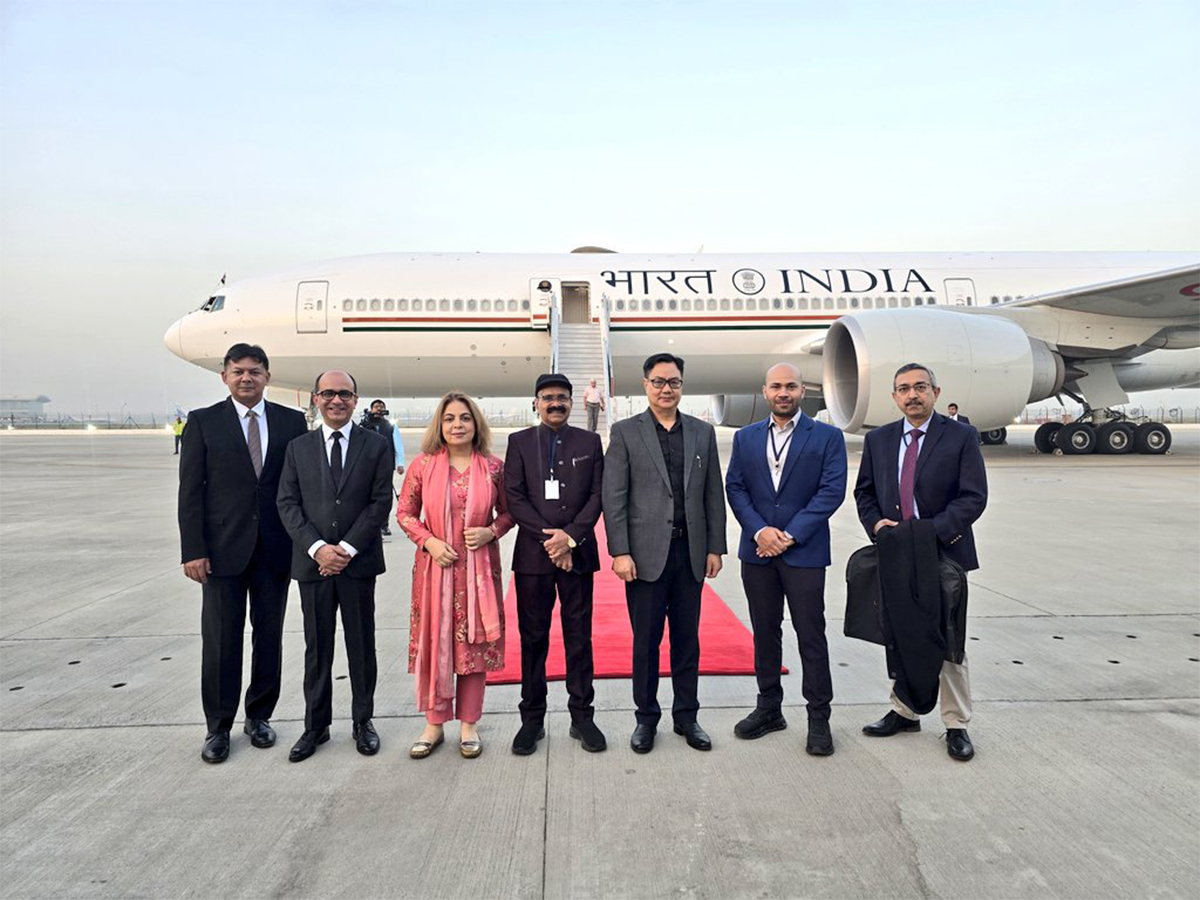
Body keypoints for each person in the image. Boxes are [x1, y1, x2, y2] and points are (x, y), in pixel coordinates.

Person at [177, 343, 308, 764]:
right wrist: (193, 550)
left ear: (268, 376)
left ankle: (259, 716)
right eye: (238, 372)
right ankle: (218, 727)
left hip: (274, 551)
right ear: (225, 377)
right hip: (220, 554)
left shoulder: (291, 423)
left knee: (268, 638)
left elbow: (299, 491)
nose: (246, 378)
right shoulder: (203, 423)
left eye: (254, 371)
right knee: (220, 641)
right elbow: (190, 494)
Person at [853, 363, 987, 762]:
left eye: (920, 387)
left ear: (935, 391)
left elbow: (973, 497)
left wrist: (929, 532)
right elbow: (864, 493)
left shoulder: (960, 436)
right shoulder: (879, 439)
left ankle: (956, 723)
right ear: (894, 397)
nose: (913, 395)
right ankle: (905, 710)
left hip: (942, 550)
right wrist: (877, 525)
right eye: (904, 389)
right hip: (895, 550)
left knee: (947, 638)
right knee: (899, 632)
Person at [603, 352, 727, 754]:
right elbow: (614, 497)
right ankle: (646, 719)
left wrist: (715, 547)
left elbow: (713, 494)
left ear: (682, 385)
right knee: (646, 643)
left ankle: (687, 717)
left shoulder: (701, 433)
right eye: (658, 382)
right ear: (645, 385)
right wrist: (620, 551)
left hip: (689, 554)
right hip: (644, 557)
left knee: (687, 642)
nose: (666, 389)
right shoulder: (625, 432)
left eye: (673, 382)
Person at [724, 363, 846, 755]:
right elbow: (736, 488)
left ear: (801, 390)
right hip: (758, 552)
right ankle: (769, 708)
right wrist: (760, 531)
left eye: (790, 386)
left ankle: (819, 718)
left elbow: (831, 491)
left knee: (811, 634)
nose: (783, 392)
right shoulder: (746, 438)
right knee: (765, 631)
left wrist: (789, 535)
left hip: (804, 552)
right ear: (764, 391)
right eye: (776, 386)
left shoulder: (827, 437)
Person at [276, 370, 393, 762]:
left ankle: (363, 721)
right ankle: (316, 725)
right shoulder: (298, 448)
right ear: (315, 398)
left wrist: (343, 549)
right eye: (328, 393)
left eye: (344, 393)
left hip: (357, 565)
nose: (336, 400)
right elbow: (287, 504)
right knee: (317, 647)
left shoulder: (376, 445)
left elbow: (379, 504)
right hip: (314, 567)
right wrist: (317, 550)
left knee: (361, 646)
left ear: (356, 399)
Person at [398, 392, 514, 759]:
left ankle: (468, 724)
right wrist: (429, 541)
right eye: (449, 419)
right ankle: (434, 724)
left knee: (473, 648)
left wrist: (490, 532)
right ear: (440, 425)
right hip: (437, 571)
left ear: (476, 424)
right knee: (437, 642)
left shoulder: (494, 467)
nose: (457, 425)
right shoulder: (422, 466)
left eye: (464, 418)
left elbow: (510, 513)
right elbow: (405, 513)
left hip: (478, 574)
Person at [504, 374, 606, 755]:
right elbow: (514, 498)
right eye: (547, 398)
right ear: (536, 402)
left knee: (579, 639)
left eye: (562, 398)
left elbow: (598, 494)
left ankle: (582, 717)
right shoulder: (519, 443)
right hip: (534, 558)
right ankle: (532, 720)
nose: (555, 404)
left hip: (577, 556)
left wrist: (571, 537)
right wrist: (551, 540)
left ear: (572, 402)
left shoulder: (590, 442)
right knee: (533, 640)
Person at [360, 399, 407, 536]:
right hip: (367, 466)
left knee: (384, 496)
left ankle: (384, 525)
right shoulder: (364, 425)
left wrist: (400, 464)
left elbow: (398, 445)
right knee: (366, 495)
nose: (379, 409)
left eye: (381, 407)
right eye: (376, 407)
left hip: (386, 466)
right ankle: (368, 523)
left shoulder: (390, 426)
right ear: (371, 409)